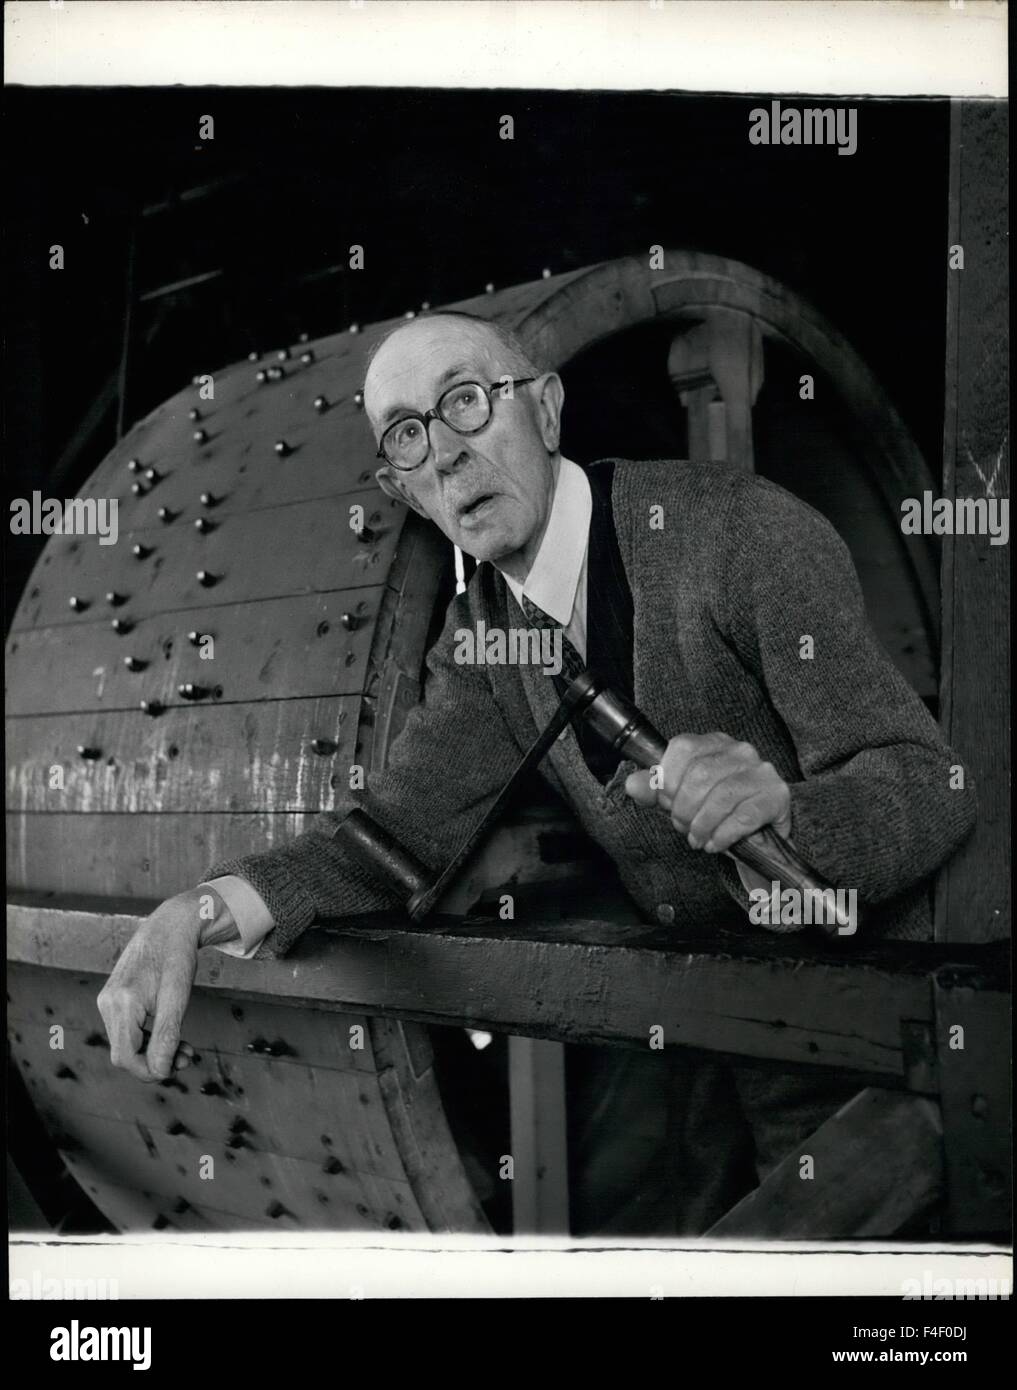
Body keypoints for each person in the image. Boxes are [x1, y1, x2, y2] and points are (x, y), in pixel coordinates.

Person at [98, 310, 975, 1235]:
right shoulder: (486, 631)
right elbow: (394, 842)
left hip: (897, 1041)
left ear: (545, 411)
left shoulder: (741, 534)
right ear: (404, 488)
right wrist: (192, 913)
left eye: (466, 404)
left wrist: (786, 816)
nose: (444, 453)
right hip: (728, 1038)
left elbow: (926, 782)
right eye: (408, 435)